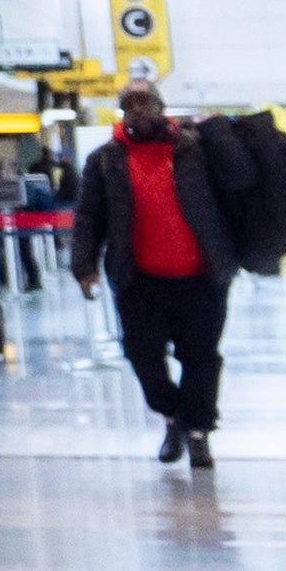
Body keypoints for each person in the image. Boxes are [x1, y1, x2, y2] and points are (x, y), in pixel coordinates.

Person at [71, 80, 236, 472]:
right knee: (142, 356)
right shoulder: (105, 160)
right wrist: (84, 266)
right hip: (139, 278)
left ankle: (197, 433)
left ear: (162, 107)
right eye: (130, 105)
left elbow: (236, 190)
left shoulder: (196, 151)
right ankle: (173, 413)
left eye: (146, 103)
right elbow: (88, 216)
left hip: (200, 276)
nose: (139, 111)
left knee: (201, 357)